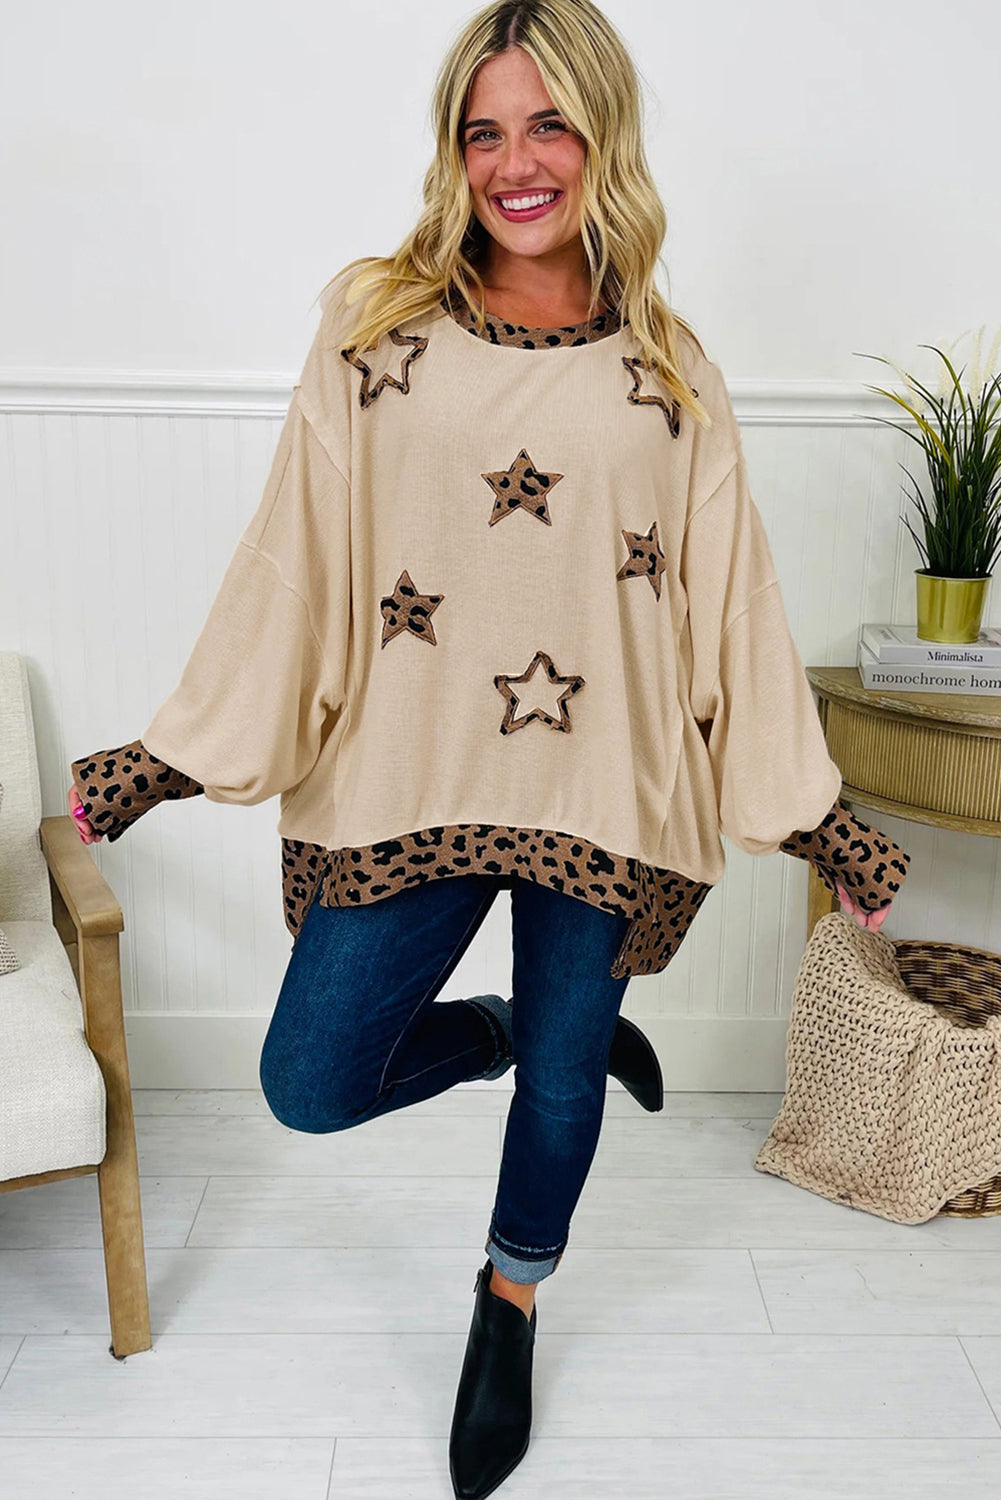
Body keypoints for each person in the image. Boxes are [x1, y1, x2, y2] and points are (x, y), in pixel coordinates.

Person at [67, 2, 911, 1494]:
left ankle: (508, 1303)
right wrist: (165, 758)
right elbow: (293, 558)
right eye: (482, 132)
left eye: (547, 125)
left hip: (608, 787)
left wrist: (817, 815)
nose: (515, 164)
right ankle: (515, 1029)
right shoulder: (373, 325)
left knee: (569, 1097)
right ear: (452, 153)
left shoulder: (671, 367)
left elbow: (733, 604)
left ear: (603, 138)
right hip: (411, 777)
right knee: (310, 1079)